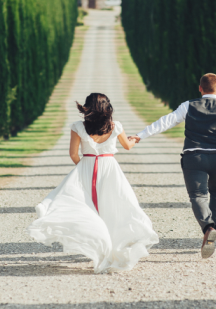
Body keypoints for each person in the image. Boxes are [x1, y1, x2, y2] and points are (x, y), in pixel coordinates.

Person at [26, 93, 159, 273]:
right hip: (110, 168)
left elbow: (73, 154)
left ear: (87, 108)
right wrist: (134, 139)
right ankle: (114, 247)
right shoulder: (115, 126)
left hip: (86, 167)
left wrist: (83, 168)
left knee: (82, 204)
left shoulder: (77, 127)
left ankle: (98, 246)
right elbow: (127, 146)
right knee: (116, 206)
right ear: (107, 108)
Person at [129, 73, 216, 258]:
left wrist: (141, 135)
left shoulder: (188, 105)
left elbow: (166, 121)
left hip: (194, 158)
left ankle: (207, 227)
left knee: (198, 195)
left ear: (200, 89)